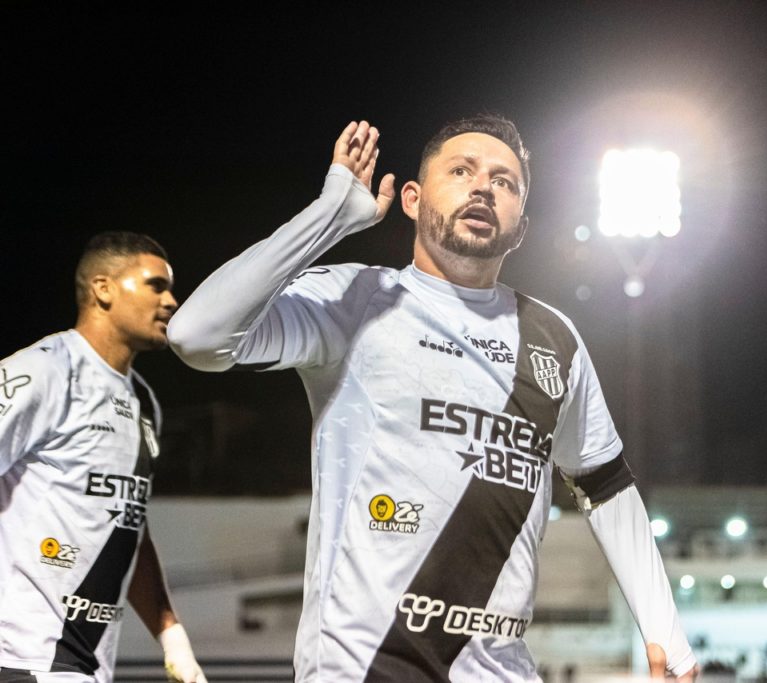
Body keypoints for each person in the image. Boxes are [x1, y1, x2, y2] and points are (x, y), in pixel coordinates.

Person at [168, 117, 698, 681]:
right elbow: (196, 336)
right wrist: (327, 218)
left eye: (505, 182)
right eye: (461, 171)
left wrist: (665, 630)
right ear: (413, 200)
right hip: (363, 669)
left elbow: (605, 483)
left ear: (521, 225)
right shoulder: (355, 300)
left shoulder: (554, 339)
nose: (483, 188)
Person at [0, 233, 206, 683]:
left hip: (87, 667)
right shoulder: (43, 370)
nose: (172, 301)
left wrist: (172, 635)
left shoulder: (144, 400)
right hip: (22, 660)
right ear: (103, 288)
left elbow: (127, 523)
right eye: (156, 285)